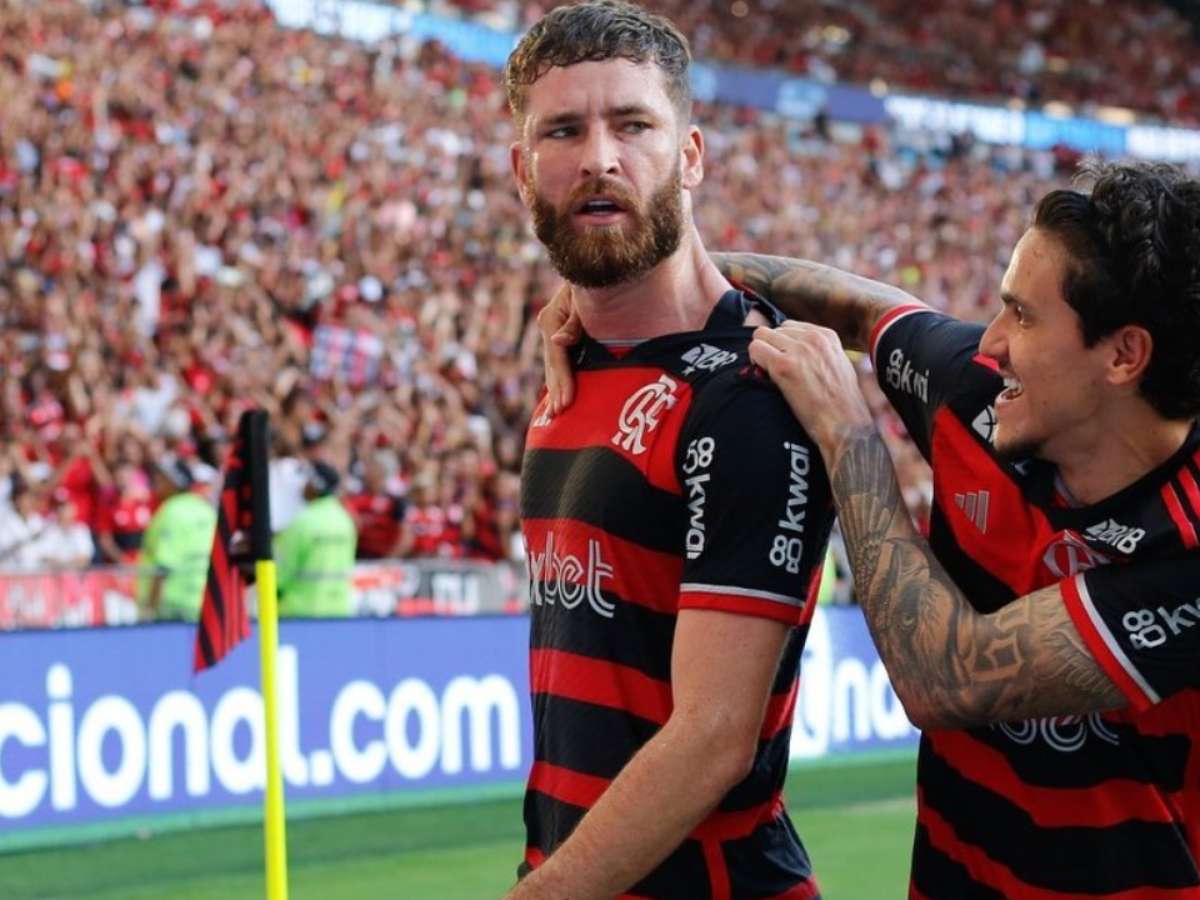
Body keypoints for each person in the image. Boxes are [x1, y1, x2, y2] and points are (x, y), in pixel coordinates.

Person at [542, 160, 1200, 897]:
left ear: (1123, 355)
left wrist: (849, 436)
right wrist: (635, 291)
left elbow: (946, 679)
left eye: (1023, 316)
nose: (990, 342)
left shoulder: (1187, 549)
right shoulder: (975, 392)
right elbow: (859, 307)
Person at [503, 4, 835, 898]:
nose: (598, 158)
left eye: (633, 125)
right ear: (522, 171)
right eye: (563, 131)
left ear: (690, 156)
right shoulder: (572, 360)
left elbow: (713, 739)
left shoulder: (749, 395)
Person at [274, 461, 357, 617]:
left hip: (300, 611)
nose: (303, 486)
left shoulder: (302, 522)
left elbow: (284, 570)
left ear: (315, 486)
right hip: (339, 609)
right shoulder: (345, 520)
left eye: (307, 481)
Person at [138, 458, 217, 621]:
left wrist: (150, 609)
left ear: (174, 482)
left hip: (174, 606)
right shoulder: (206, 509)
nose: (155, 481)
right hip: (207, 601)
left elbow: (163, 565)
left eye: (161, 477)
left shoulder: (171, 511)